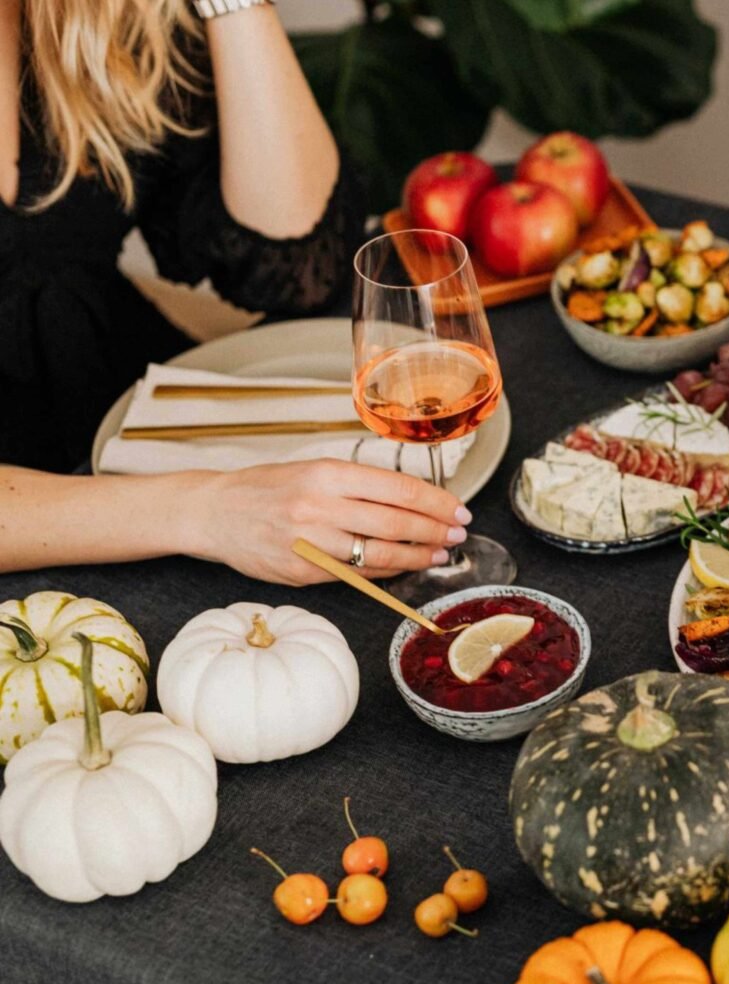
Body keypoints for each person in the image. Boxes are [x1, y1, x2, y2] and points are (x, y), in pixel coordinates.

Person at [0, 0, 466, 584]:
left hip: (135, 421)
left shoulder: (89, 13)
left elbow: (297, 265)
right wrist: (204, 510)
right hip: (83, 525)